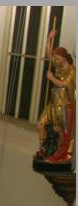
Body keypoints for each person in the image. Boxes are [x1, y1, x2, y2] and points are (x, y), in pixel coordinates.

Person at [36, 29, 75, 163]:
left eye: (58, 59)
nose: (55, 61)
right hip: (54, 102)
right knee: (41, 123)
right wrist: (49, 38)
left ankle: (61, 155)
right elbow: (49, 54)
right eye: (55, 59)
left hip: (64, 105)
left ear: (64, 58)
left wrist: (52, 78)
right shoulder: (58, 65)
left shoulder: (72, 70)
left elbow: (64, 84)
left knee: (61, 130)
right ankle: (43, 148)